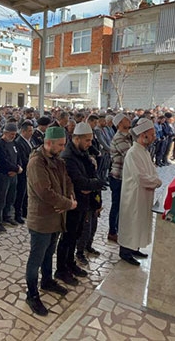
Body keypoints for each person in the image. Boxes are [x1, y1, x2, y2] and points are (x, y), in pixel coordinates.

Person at [24, 126, 77, 316]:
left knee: (49, 253)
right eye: (60, 145)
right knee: (36, 259)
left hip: (56, 216)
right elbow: (45, 192)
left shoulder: (57, 160)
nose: (63, 148)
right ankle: (32, 294)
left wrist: (69, 200)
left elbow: (67, 181)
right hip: (42, 219)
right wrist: (67, 204)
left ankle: (47, 281)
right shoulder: (37, 163)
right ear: (48, 144)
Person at [56, 122, 104, 286]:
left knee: (75, 236)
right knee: (67, 238)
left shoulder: (83, 153)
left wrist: (93, 184)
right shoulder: (68, 156)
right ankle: (61, 269)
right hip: (72, 203)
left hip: (83, 203)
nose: (90, 144)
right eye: (87, 141)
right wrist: (94, 183)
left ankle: (70, 264)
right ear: (76, 139)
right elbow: (80, 182)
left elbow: (92, 176)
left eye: (91, 140)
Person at [118, 118, 162, 266]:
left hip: (144, 195)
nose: (155, 136)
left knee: (139, 222)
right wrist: (156, 182)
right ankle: (125, 252)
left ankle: (134, 248)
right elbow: (140, 177)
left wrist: (155, 180)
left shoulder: (144, 151)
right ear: (143, 135)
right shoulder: (133, 153)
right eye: (152, 133)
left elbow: (153, 171)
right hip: (134, 196)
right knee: (131, 223)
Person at [0, 123, 22, 231]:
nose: (13, 136)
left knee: (11, 197)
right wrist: (16, 169)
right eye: (11, 134)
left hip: (13, 175)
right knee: (1, 199)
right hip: (3, 175)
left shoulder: (13, 143)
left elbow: (18, 156)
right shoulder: (0, 144)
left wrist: (18, 168)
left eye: (15, 134)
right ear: (5, 133)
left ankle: (7, 216)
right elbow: (4, 161)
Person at [14, 120, 34, 224]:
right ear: (23, 131)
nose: (31, 133)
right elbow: (23, 158)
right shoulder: (19, 142)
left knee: (26, 193)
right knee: (20, 194)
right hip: (23, 172)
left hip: (29, 172)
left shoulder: (29, 141)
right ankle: (18, 213)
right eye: (30, 131)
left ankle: (25, 211)